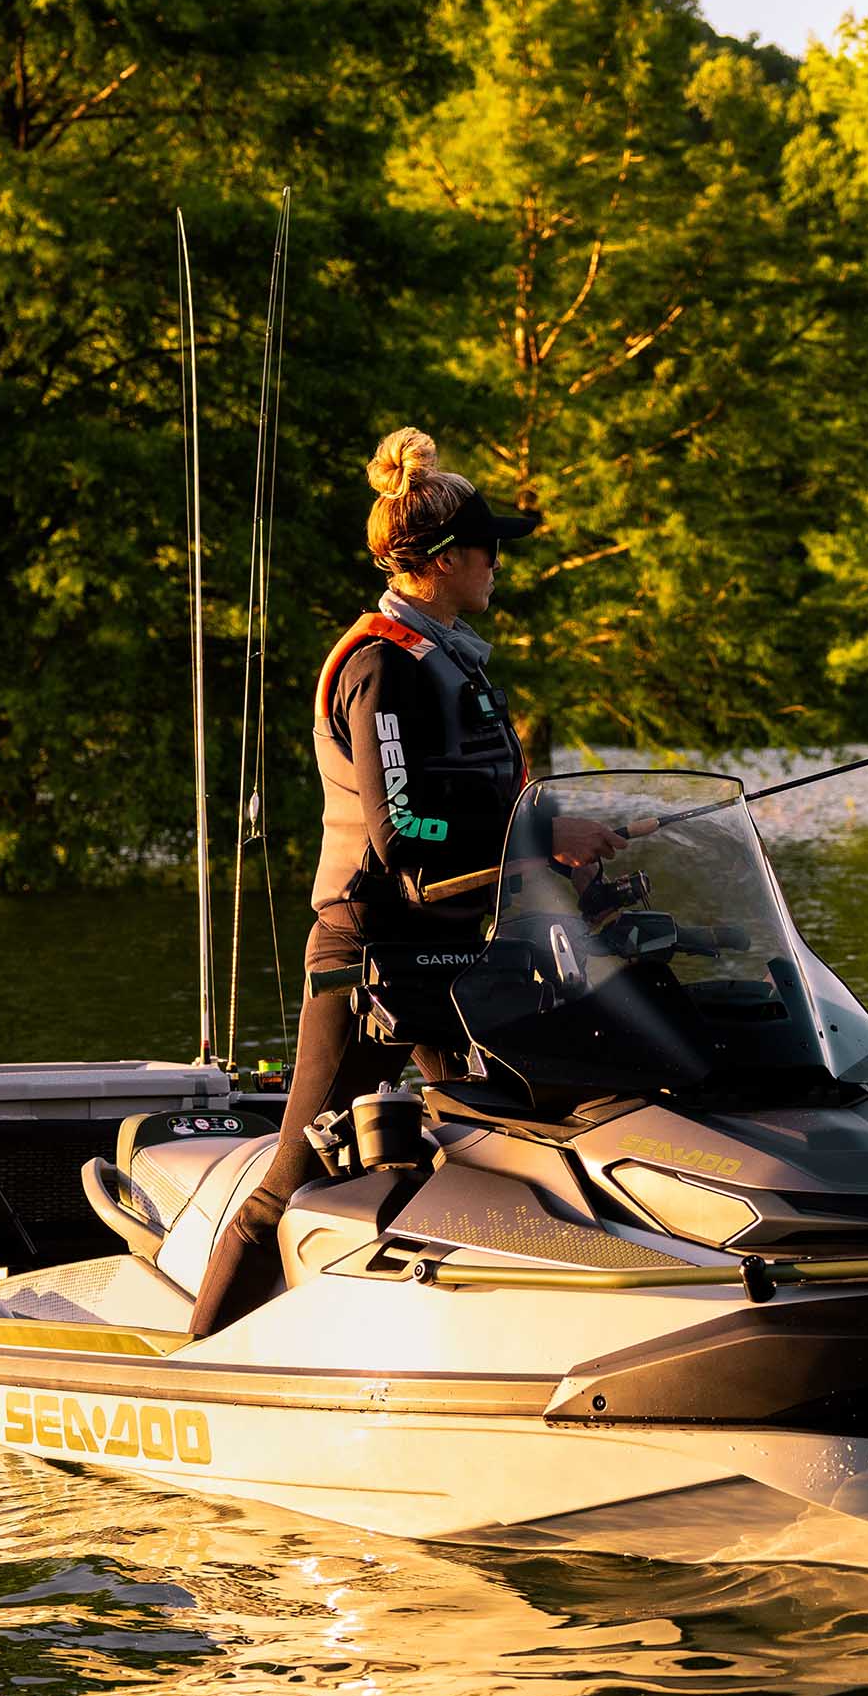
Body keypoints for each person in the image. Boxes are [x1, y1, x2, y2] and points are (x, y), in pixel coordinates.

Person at [184, 428, 613, 1331]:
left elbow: (483, 802)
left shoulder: (453, 659)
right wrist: (536, 837)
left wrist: (564, 836)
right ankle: (195, 1360)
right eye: (489, 548)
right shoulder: (383, 664)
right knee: (292, 1174)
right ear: (447, 559)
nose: (499, 563)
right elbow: (402, 830)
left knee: (512, 1130)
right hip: (375, 953)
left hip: (460, 944)